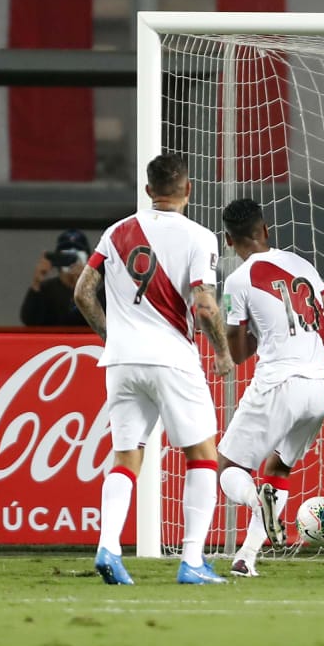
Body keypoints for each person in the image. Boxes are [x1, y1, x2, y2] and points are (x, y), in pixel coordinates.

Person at [74, 153, 233, 586]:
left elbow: (83, 293)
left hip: (122, 363)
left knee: (126, 456)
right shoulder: (200, 237)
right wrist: (221, 352)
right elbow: (203, 303)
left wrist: (112, 337)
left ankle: (108, 547)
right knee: (202, 455)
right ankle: (193, 561)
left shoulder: (115, 232)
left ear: (148, 190)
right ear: (189, 189)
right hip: (172, 359)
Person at [215, 198, 324, 578]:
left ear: (229, 241)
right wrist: (302, 348)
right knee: (278, 467)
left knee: (229, 467)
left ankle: (259, 506)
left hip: (281, 383)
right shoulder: (302, 265)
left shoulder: (237, 281)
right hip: (322, 385)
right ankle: (246, 557)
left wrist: (244, 340)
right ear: (266, 230)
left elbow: (238, 352)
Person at [21, 229, 100, 327]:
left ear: (87, 259)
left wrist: (83, 284)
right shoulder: (47, 289)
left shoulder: (97, 290)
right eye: (66, 255)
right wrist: (36, 283)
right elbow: (29, 320)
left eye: (77, 256)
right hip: (53, 341)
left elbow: (100, 322)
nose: (72, 260)